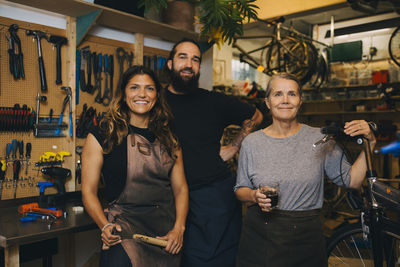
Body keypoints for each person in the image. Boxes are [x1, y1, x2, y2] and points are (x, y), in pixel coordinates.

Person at [234, 72, 376, 267]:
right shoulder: (251, 143)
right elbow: (240, 189)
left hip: (306, 240)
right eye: (278, 94)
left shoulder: (320, 139)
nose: (285, 100)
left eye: (292, 94)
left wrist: (371, 142)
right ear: (267, 102)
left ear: (300, 101)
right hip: (261, 238)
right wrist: (253, 195)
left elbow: (352, 180)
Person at [164, 38, 263, 267]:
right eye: (183, 57)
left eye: (195, 59)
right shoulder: (155, 102)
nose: (189, 64)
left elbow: (255, 116)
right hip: (168, 196)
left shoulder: (212, 101)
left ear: (199, 67)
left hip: (212, 198)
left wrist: (235, 146)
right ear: (170, 64)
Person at [81, 65, 189, 267]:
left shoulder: (169, 138)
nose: (142, 94)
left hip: (165, 237)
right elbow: (88, 192)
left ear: (157, 95)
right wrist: (104, 226)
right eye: (134, 88)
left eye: (149, 88)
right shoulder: (103, 135)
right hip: (124, 233)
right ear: (123, 93)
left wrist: (178, 229)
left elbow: (181, 189)